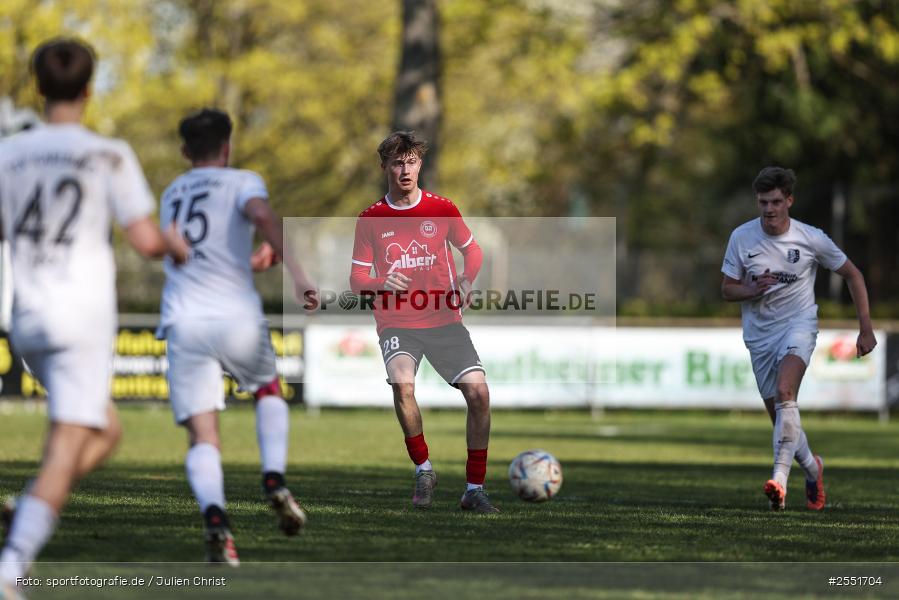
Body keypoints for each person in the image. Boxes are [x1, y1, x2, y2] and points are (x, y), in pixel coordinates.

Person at [0, 38, 187, 598]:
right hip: (80, 315)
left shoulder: (8, 154)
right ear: (88, 89)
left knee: (105, 431)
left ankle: (26, 508)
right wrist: (175, 245)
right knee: (66, 442)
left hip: (29, 315)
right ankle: (12, 566)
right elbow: (145, 238)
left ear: (39, 87)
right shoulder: (108, 154)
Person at [157, 108, 316, 565]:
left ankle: (216, 522)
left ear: (185, 151)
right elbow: (261, 215)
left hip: (185, 319)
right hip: (235, 315)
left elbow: (190, 257)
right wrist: (297, 273)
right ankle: (273, 478)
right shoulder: (241, 180)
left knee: (203, 436)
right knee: (267, 390)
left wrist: (248, 263)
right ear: (227, 147)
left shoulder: (172, 193)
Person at [349, 131, 497, 513]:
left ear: (420, 165)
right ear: (385, 166)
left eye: (412, 161)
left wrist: (467, 279)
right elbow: (358, 280)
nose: (405, 169)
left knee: (479, 393)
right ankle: (423, 469)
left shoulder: (443, 208)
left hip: (444, 318)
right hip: (397, 320)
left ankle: (474, 489)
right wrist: (381, 282)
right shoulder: (370, 219)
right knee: (402, 384)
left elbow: (473, 250)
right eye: (397, 162)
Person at [721, 166, 876, 511]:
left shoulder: (811, 238)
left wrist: (865, 327)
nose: (769, 209)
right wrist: (749, 289)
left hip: (799, 325)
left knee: (785, 392)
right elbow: (727, 289)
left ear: (789, 200)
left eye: (776, 201)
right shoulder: (741, 238)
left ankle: (779, 480)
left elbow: (853, 275)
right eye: (763, 202)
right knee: (782, 421)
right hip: (760, 337)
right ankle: (812, 467)